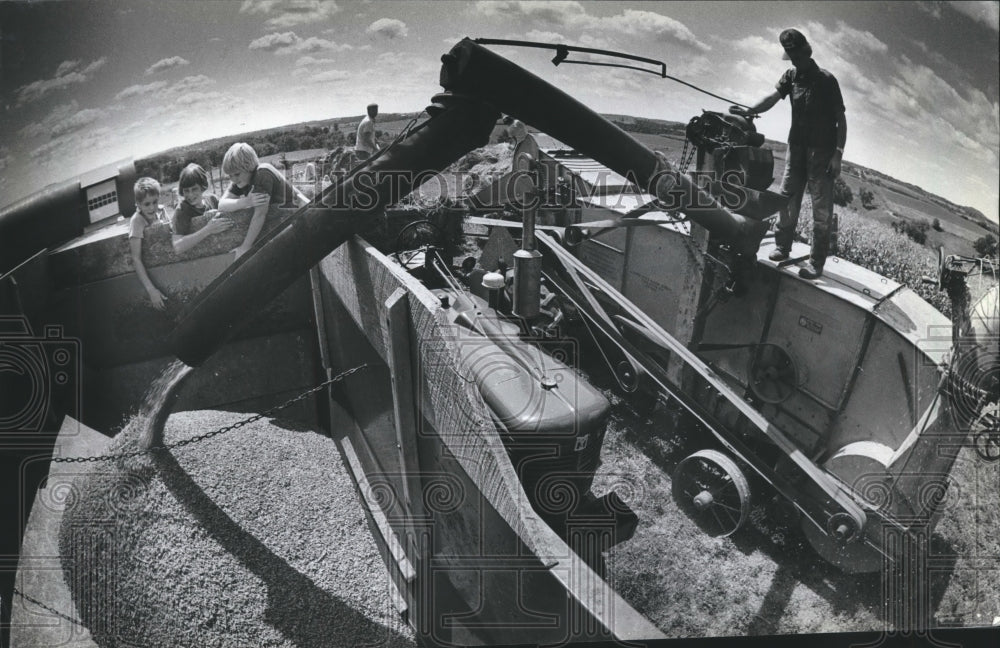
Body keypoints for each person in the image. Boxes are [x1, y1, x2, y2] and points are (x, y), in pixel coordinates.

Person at [732, 28, 846, 279]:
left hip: (822, 154)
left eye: (796, 55)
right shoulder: (790, 77)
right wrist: (748, 111)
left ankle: (816, 263)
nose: (793, 60)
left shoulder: (827, 80)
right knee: (786, 198)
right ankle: (783, 247)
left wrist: (837, 154)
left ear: (806, 52)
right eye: (790, 56)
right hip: (795, 149)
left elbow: (841, 119)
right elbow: (772, 98)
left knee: (821, 209)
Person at [217, 142, 309, 260]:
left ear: (248, 167)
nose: (233, 179)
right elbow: (221, 204)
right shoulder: (241, 180)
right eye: (230, 176)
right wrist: (246, 202)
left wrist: (245, 247)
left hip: (298, 218)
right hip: (283, 223)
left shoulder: (262, 173)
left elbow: (260, 214)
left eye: (236, 174)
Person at [171, 163, 233, 254]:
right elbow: (177, 246)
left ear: (202, 187)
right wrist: (208, 230)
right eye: (186, 191)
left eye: (194, 189)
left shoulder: (213, 200)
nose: (190, 195)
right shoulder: (182, 210)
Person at [128, 177, 171, 310]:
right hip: (151, 271)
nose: (152, 207)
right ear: (138, 204)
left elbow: (171, 232)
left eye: (155, 202)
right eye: (147, 204)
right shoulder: (137, 221)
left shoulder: (161, 211)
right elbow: (136, 258)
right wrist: (151, 290)